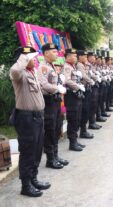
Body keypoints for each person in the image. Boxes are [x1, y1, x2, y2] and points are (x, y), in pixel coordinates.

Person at [10, 46, 50, 197]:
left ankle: (33, 178)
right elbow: (14, 71)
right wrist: (24, 57)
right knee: (27, 151)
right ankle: (25, 185)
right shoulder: (19, 74)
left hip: (38, 117)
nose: (34, 60)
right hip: (26, 118)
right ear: (23, 59)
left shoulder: (31, 73)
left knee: (37, 149)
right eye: (31, 57)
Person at [37, 43, 68, 169]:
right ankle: (50, 159)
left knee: (56, 129)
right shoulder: (43, 67)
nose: (56, 53)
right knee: (50, 130)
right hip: (48, 102)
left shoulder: (52, 66)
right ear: (46, 53)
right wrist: (57, 88)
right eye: (54, 51)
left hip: (55, 101)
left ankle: (55, 155)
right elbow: (43, 84)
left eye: (56, 51)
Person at [64, 49, 86, 151]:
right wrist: (78, 87)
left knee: (77, 118)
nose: (75, 57)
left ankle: (75, 141)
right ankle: (72, 143)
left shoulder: (72, 66)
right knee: (73, 119)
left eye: (76, 56)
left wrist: (80, 84)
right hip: (71, 97)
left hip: (77, 96)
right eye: (73, 56)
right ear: (68, 57)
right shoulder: (67, 67)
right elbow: (67, 80)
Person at [87, 52, 102, 129]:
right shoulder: (86, 65)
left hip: (94, 86)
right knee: (92, 105)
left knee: (95, 104)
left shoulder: (91, 65)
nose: (94, 59)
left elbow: (93, 73)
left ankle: (93, 121)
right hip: (91, 87)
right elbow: (87, 75)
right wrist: (95, 79)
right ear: (88, 57)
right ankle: (92, 123)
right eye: (93, 57)